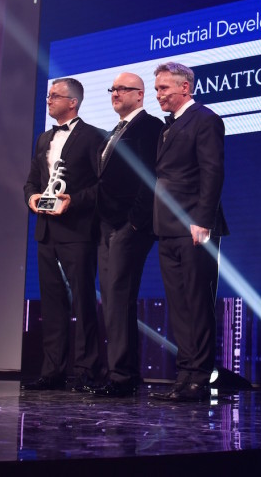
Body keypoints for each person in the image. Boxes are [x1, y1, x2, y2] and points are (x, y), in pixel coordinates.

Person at [148, 62, 228, 402]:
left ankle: (199, 377)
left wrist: (203, 220)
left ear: (185, 87)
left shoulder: (205, 119)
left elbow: (212, 172)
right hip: (167, 226)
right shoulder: (169, 126)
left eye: (164, 88)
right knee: (179, 304)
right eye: (156, 89)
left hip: (194, 225)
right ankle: (184, 376)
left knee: (197, 302)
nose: (158, 95)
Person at [22, 78, 104, 392]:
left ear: (73, 102)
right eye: (48, 95)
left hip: (78, 230)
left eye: (55, 95)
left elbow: (101, 186)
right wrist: (31, 198)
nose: (49, 100)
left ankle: (87, 371)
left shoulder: (94, 136)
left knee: (83, 303)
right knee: (52, 305)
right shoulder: (43, 138)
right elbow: (32, 181)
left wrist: (74, 201)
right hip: (46, 231)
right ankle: (52, 371)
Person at [90, 72, 162, 397]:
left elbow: (151, 177)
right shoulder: (114, 132)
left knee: (119, 297)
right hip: (105, 226)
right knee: (112, 299)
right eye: (113, 89)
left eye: (123, 89)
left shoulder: (149, 127)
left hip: (128, 226)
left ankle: (121, 376)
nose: (115, 93)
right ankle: (122, 372)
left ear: (140, 94)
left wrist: (134, 223)